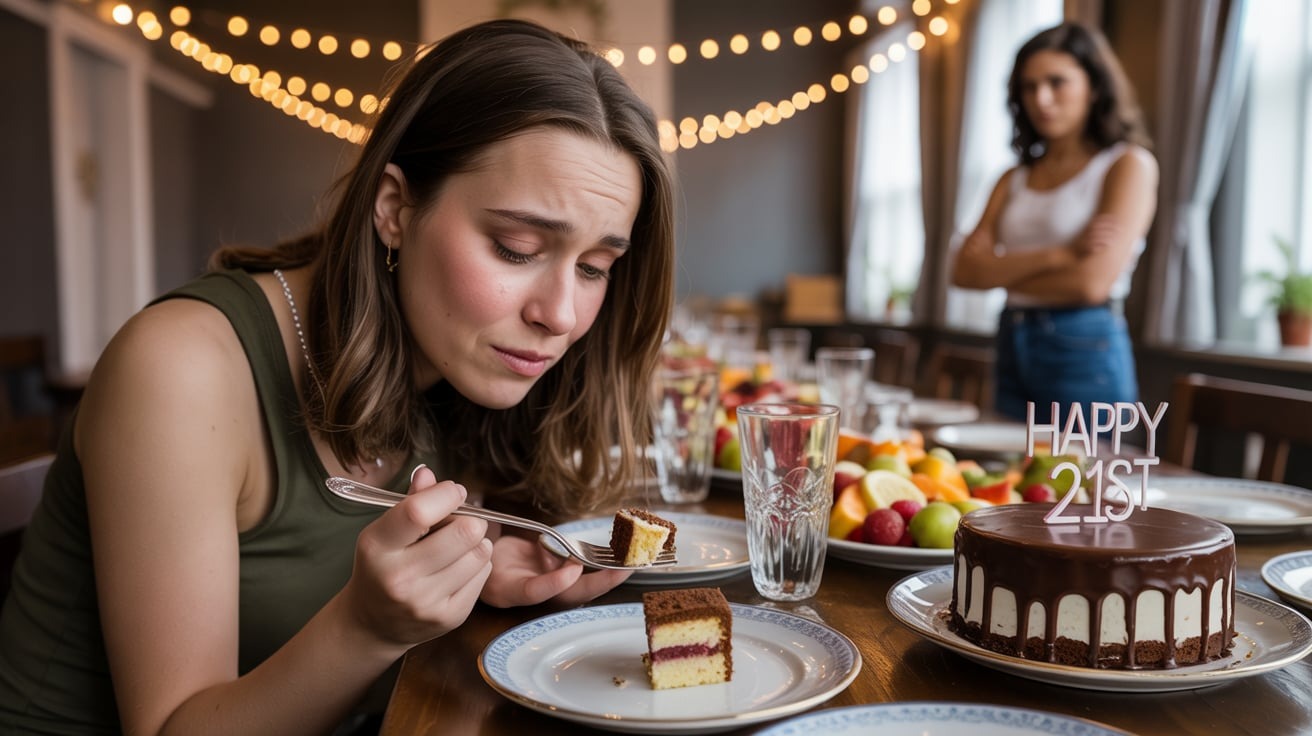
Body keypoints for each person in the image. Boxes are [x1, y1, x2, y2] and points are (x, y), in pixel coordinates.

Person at [0, 19, 674, 735]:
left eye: (597, 267)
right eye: (516, 249)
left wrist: (476, 580)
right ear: (395, 208)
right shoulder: (181, 369)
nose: (562, 314)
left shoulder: (450, 362)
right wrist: (365, 627)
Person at [951, 22, 1158, 424]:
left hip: (1084, 344)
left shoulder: (1127, 165)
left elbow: (1090, 283)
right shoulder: (1013, 178)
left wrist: (997, 269)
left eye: (1056, 82)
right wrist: (1063, 253)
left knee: (1084, 479)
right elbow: (962, 271)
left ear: (1094, 86)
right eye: (1028, 87)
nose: (1041, 99)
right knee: (1013, 475)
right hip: (1012, 336)